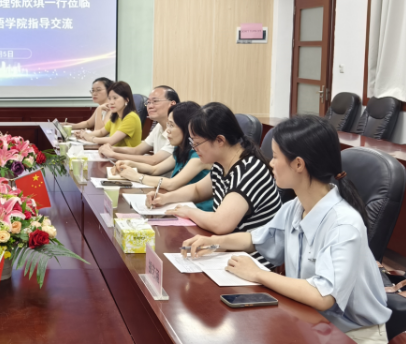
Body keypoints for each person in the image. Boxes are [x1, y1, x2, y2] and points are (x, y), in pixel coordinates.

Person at [181, 115, 391, 344]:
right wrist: (214, 242)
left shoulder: (344, 224)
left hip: (353, 335)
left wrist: (258, 273)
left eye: (275, 156)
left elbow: (322, 295)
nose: (270, 163)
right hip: (310, 319)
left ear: (298, 164)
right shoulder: (295, 207)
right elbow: (256, 239)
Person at [146, 102, 281, 268]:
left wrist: (189, 211)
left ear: (219, 140)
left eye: (197, 143)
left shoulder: (249, 170)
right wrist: (165, 198)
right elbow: (197, 190)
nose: (194, 148)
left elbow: (220, 223)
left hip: (251, 262)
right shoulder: (222, 163)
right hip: (226, 250)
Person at [113, 102, 214, 211]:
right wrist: (131, 163)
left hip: (199, 210)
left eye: (172, 125)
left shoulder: (199, 155)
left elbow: (172, 184)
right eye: (167, 125)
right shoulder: (181, 149)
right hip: (182, 205)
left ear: (187, 128)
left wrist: (136, 177)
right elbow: (155, 169)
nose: (167, 131)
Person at [99, 85, 179, 165]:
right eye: (148, 102)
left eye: (155, 101)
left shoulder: (178, 130)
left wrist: (113, 154)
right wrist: (112, 149)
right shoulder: (159, 126)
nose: (150, 106)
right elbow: (137, 150)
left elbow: (154, 160)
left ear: (172, 104)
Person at [75, 81, 142, 147]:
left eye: (115, 98)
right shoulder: (116, 116)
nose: (111, 102)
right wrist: (84, 134)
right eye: (109, 98)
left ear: (126, 100)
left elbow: (111, 140)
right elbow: (101, 132)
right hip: (114, 152)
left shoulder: (131, 117)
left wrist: (90, 138)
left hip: (125, 154)